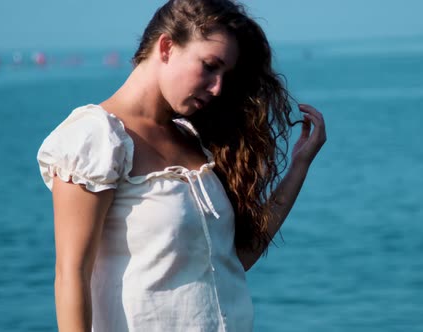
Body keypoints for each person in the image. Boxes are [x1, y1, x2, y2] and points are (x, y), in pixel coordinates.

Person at [36, 0, 326, 331]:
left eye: (224, 75)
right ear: (166, 47)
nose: (217, 88)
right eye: (209, 66)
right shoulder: (95, 137)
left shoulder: (193, 139)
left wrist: (299, 166)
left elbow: (234, 261)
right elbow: (71, 274)